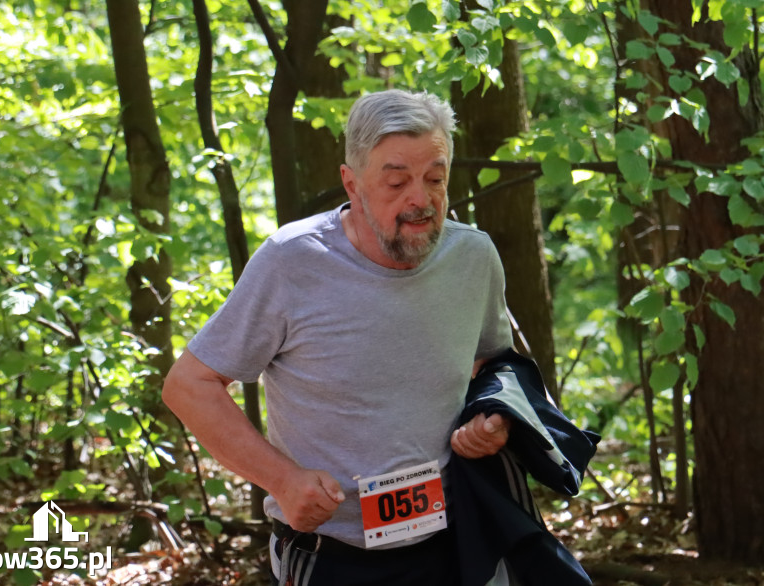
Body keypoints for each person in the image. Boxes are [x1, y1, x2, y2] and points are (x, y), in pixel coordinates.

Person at [162, 89, 516, 585]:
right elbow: (188, 385)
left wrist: (495, 417)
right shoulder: (293, 262)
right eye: (396, 182)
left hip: (459, 539)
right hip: (333, 552)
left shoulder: (472, 258)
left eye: (435, 179)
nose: (420, 198)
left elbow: (498, 367)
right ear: (352, 183)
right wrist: (282, 480)